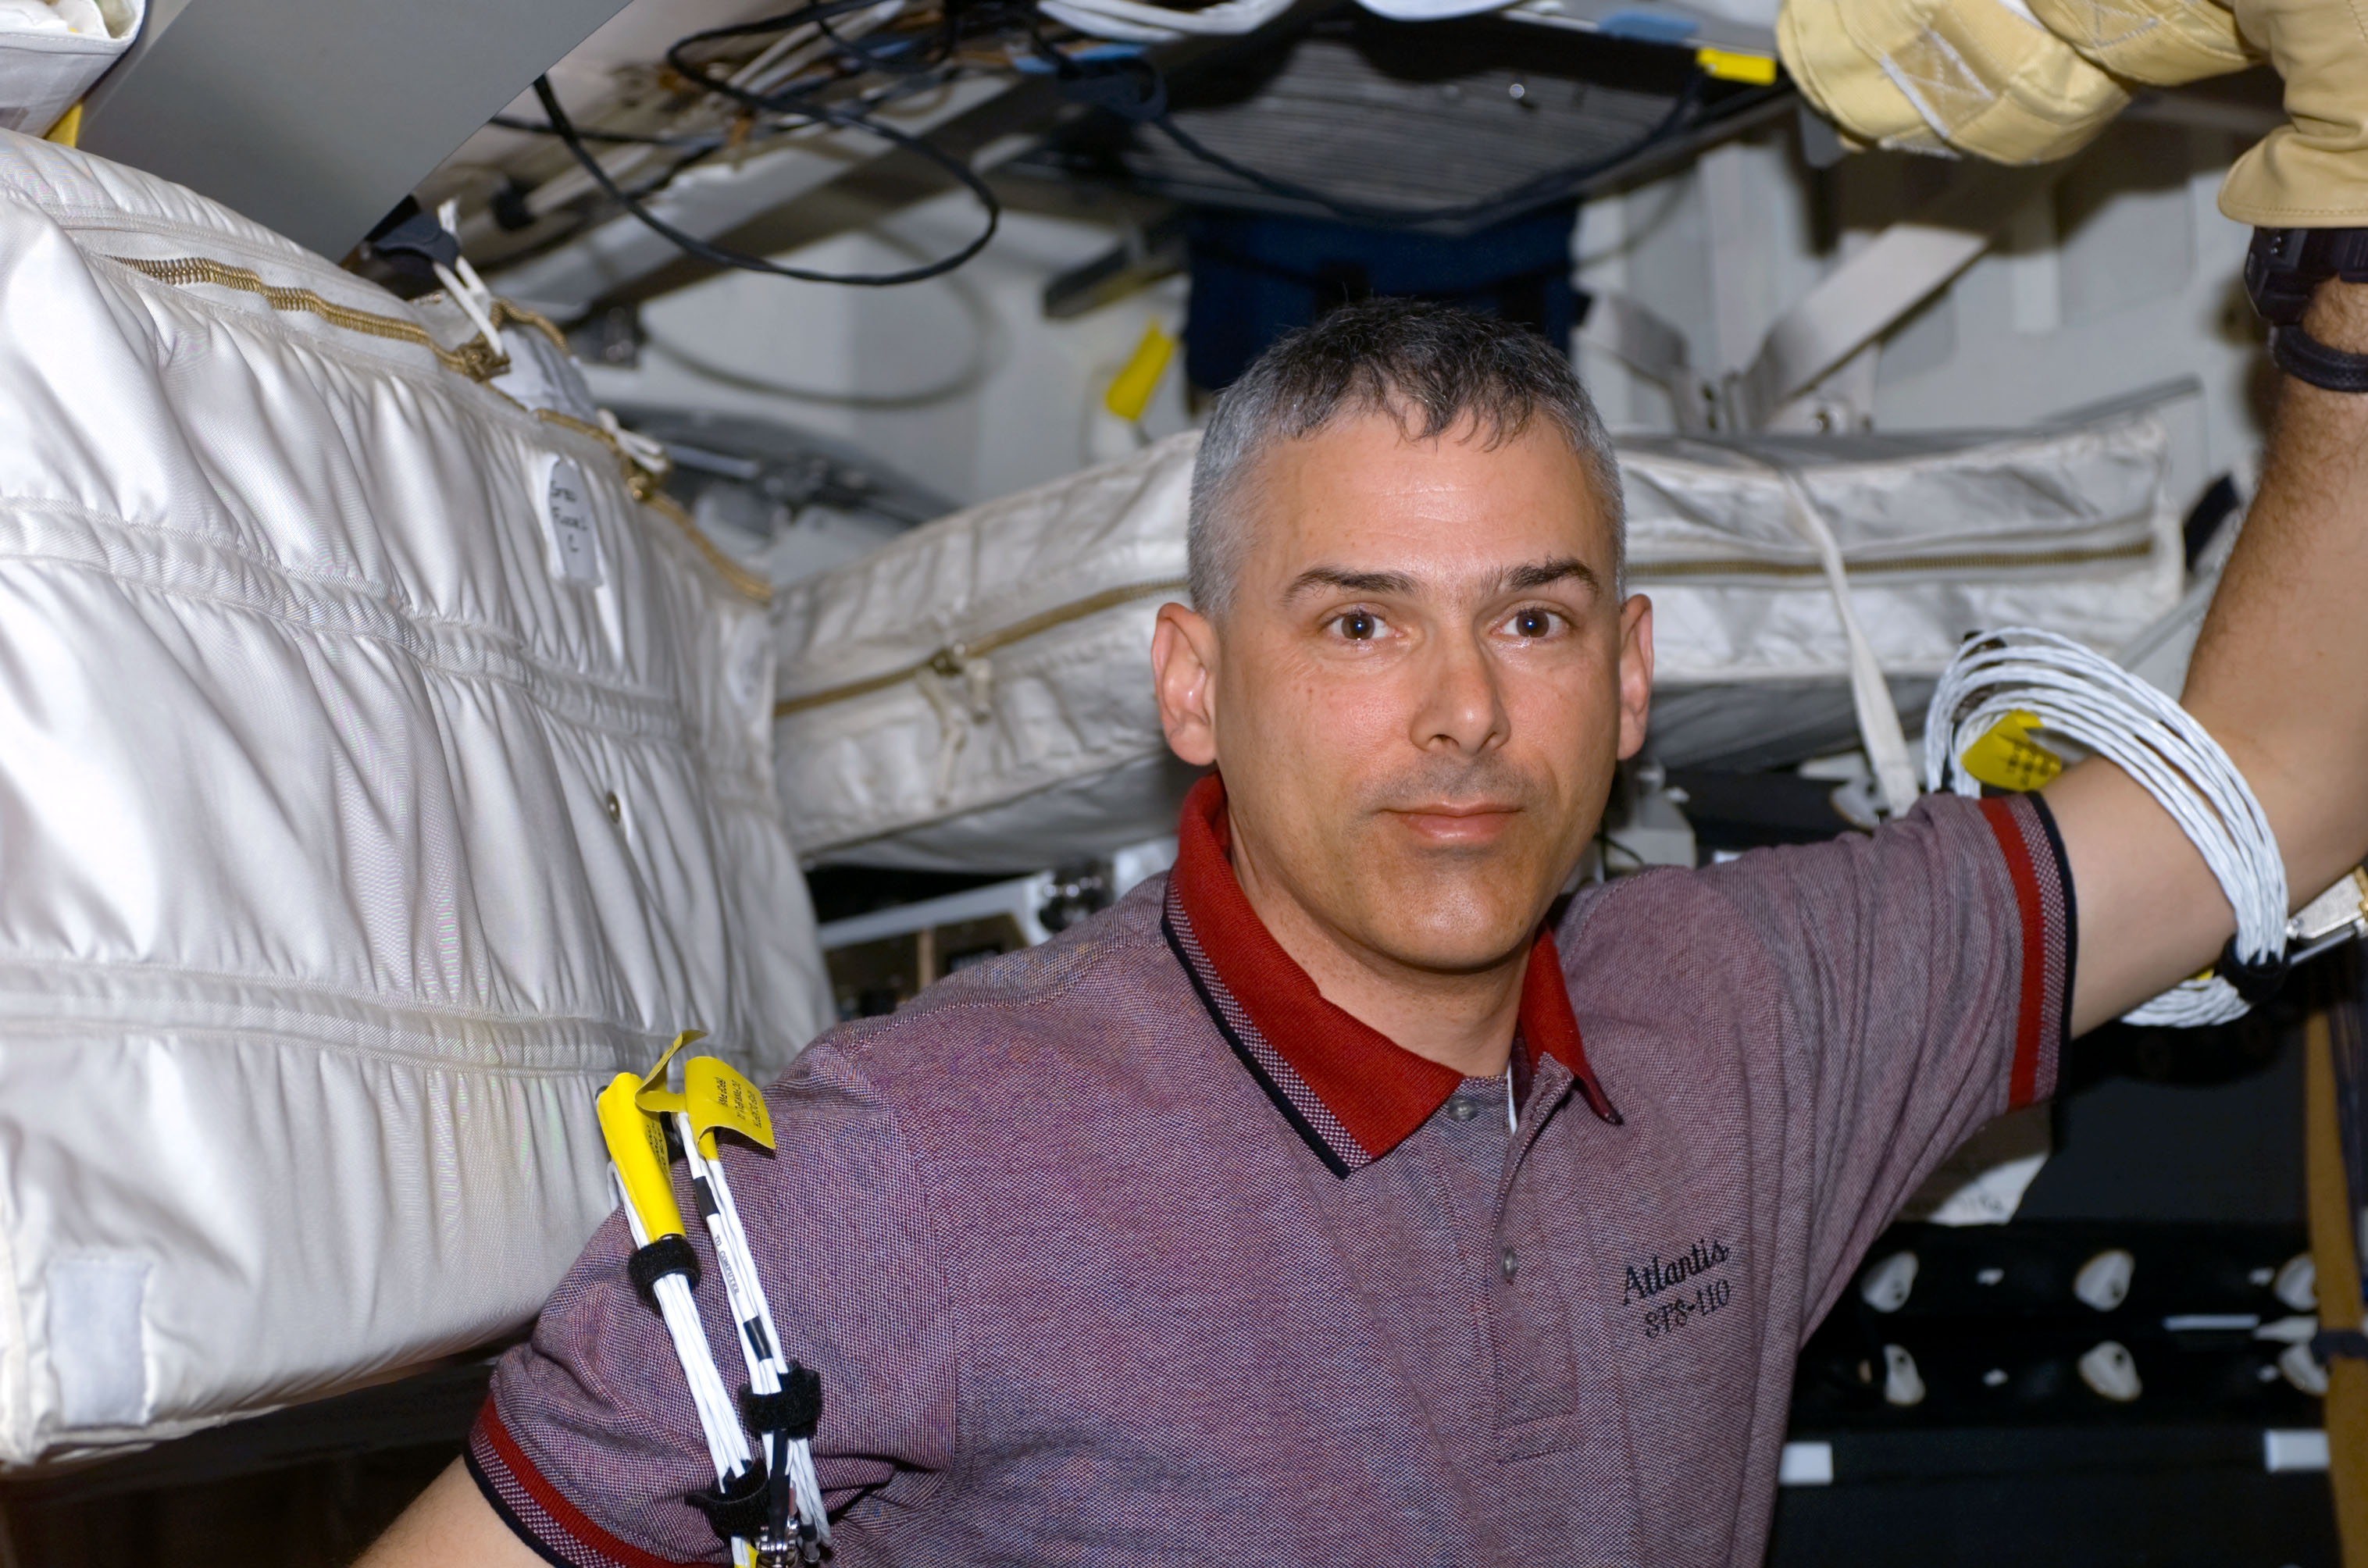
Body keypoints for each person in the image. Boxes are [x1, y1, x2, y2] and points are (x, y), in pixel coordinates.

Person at [360, 265, 2368, 1565]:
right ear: (1192, 684)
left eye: (1533, 615)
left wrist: (2348, 294)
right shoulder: (913, 1166)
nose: (1464, 710)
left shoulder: (1754, 1004)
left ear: (1632, 676)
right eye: (1356, 622)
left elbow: (2259, 794)